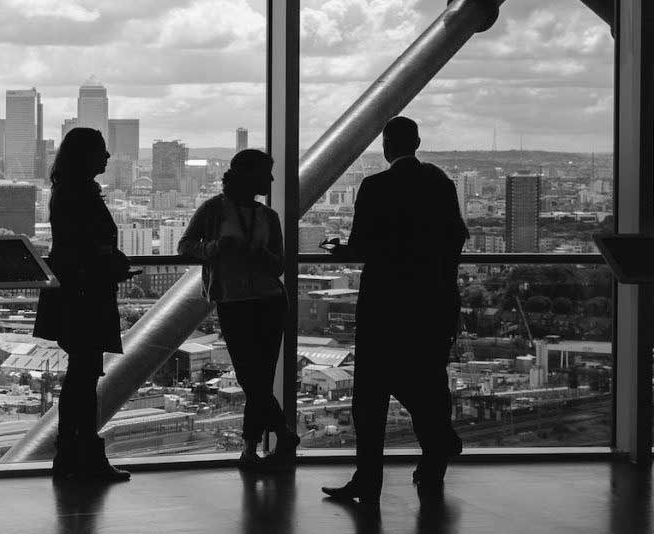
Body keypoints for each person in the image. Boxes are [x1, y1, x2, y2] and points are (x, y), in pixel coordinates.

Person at [321, 116, 469, 506]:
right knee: (429, 381)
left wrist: (339, 251)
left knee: (370, 398)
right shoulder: (441, 184)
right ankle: (435, 456)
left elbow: (362, 247)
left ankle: (368, 482)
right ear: (418, 142)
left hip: (384, 305)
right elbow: (456, 238)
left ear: (386, 147)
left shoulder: (375, 186)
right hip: (432, 303)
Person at [178, 149, 298, 469]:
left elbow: (278, 265)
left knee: (257, 378)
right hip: (240, 302)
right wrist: (218, 248)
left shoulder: (267, 216)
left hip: (266, 301)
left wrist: (250, 253)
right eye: (265, 173)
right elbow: (185, 246)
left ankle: (251, 448)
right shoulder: (213, 211)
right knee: (253, 378)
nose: (271, 180)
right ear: (249, 177)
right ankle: (280, 434)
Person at [34, 127, 138, 483]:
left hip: (75, 294)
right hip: (85, 296)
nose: (108, 157)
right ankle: (83, 456)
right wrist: (112, 262)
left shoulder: (67, 191)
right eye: (102, 151)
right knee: (83, 379)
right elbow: (86, 245)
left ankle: (71, 455)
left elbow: (74, 244)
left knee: (81, 377)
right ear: (87, 157)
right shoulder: (79, 193)